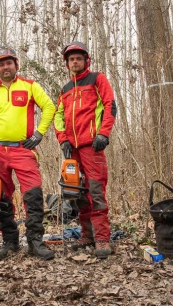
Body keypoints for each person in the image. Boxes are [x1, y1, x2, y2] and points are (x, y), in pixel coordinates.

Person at [0, 46, 57, 260]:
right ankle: (10, 241)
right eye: (1, 64)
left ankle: (35, 242)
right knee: (1, 196)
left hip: (24, 149)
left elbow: (49, 107)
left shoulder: (30, 86)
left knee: (33, 195)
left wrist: (39, 134)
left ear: (16, 64)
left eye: (9, 63)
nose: (5, 67)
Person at [53, 41, 117, 259]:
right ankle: (87, 235)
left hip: (92, 145)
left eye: (78, 58)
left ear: (86, 60)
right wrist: (63, 140)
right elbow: (58, 116)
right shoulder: (65, 89)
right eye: (71, 59)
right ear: (67, 63)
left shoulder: (97, 79)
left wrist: (103, 134)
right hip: (72, 149)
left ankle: (102, 238)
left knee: (96, 191)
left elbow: (110, 105)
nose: (75, 62)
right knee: (77, 192)